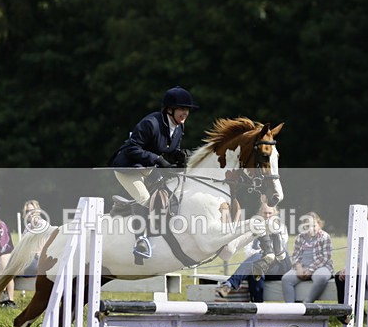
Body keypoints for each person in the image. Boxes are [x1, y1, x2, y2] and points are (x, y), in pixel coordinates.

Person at [108, 86, 198, 258]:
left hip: (148, 168)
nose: (185, 113)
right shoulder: (151, 123)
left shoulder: (178, 127)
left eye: (187, 110)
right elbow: (132, 148)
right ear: (170, 109)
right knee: (147, 201)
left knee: (166, 196)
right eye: (182, 109)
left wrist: (178, 155)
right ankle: (141, 241)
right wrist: (158, 159)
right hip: (128, 169)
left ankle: (125, 207)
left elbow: (168, 148)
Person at [215, 203, 289, 302]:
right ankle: (258, 309)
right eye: (264, 213)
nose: (267, 216)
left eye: (270, 213)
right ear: (260, 213)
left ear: (275, 214)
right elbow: (248, 252)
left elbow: (280, 252)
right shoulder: (254, 228)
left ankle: (230, 284)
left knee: (259, 259)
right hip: (259, 266)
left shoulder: (281, 228)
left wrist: (264, 253)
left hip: (277, 267)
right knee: (256, 270)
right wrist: (263, 254)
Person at [281, 212, 334, 303]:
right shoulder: (300, 237)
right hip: (302, 268)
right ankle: (290, 308)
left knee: (321, 277)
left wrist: (310, 270)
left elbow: (325, 257)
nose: (311, 229)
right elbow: (296, 255)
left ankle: (307, 302)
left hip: (321, 267)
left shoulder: (324, 237)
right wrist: (298, 268)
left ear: (319, 224)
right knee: (286, 279)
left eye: (314, 225)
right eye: (307, 226)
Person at [20, 199, 43, 277]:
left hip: (38, 260)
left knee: (8, 271)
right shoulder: (28, 227)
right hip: (27, 259)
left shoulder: (43, 225)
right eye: (27, 212)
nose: (30, 213)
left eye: (32, 211)